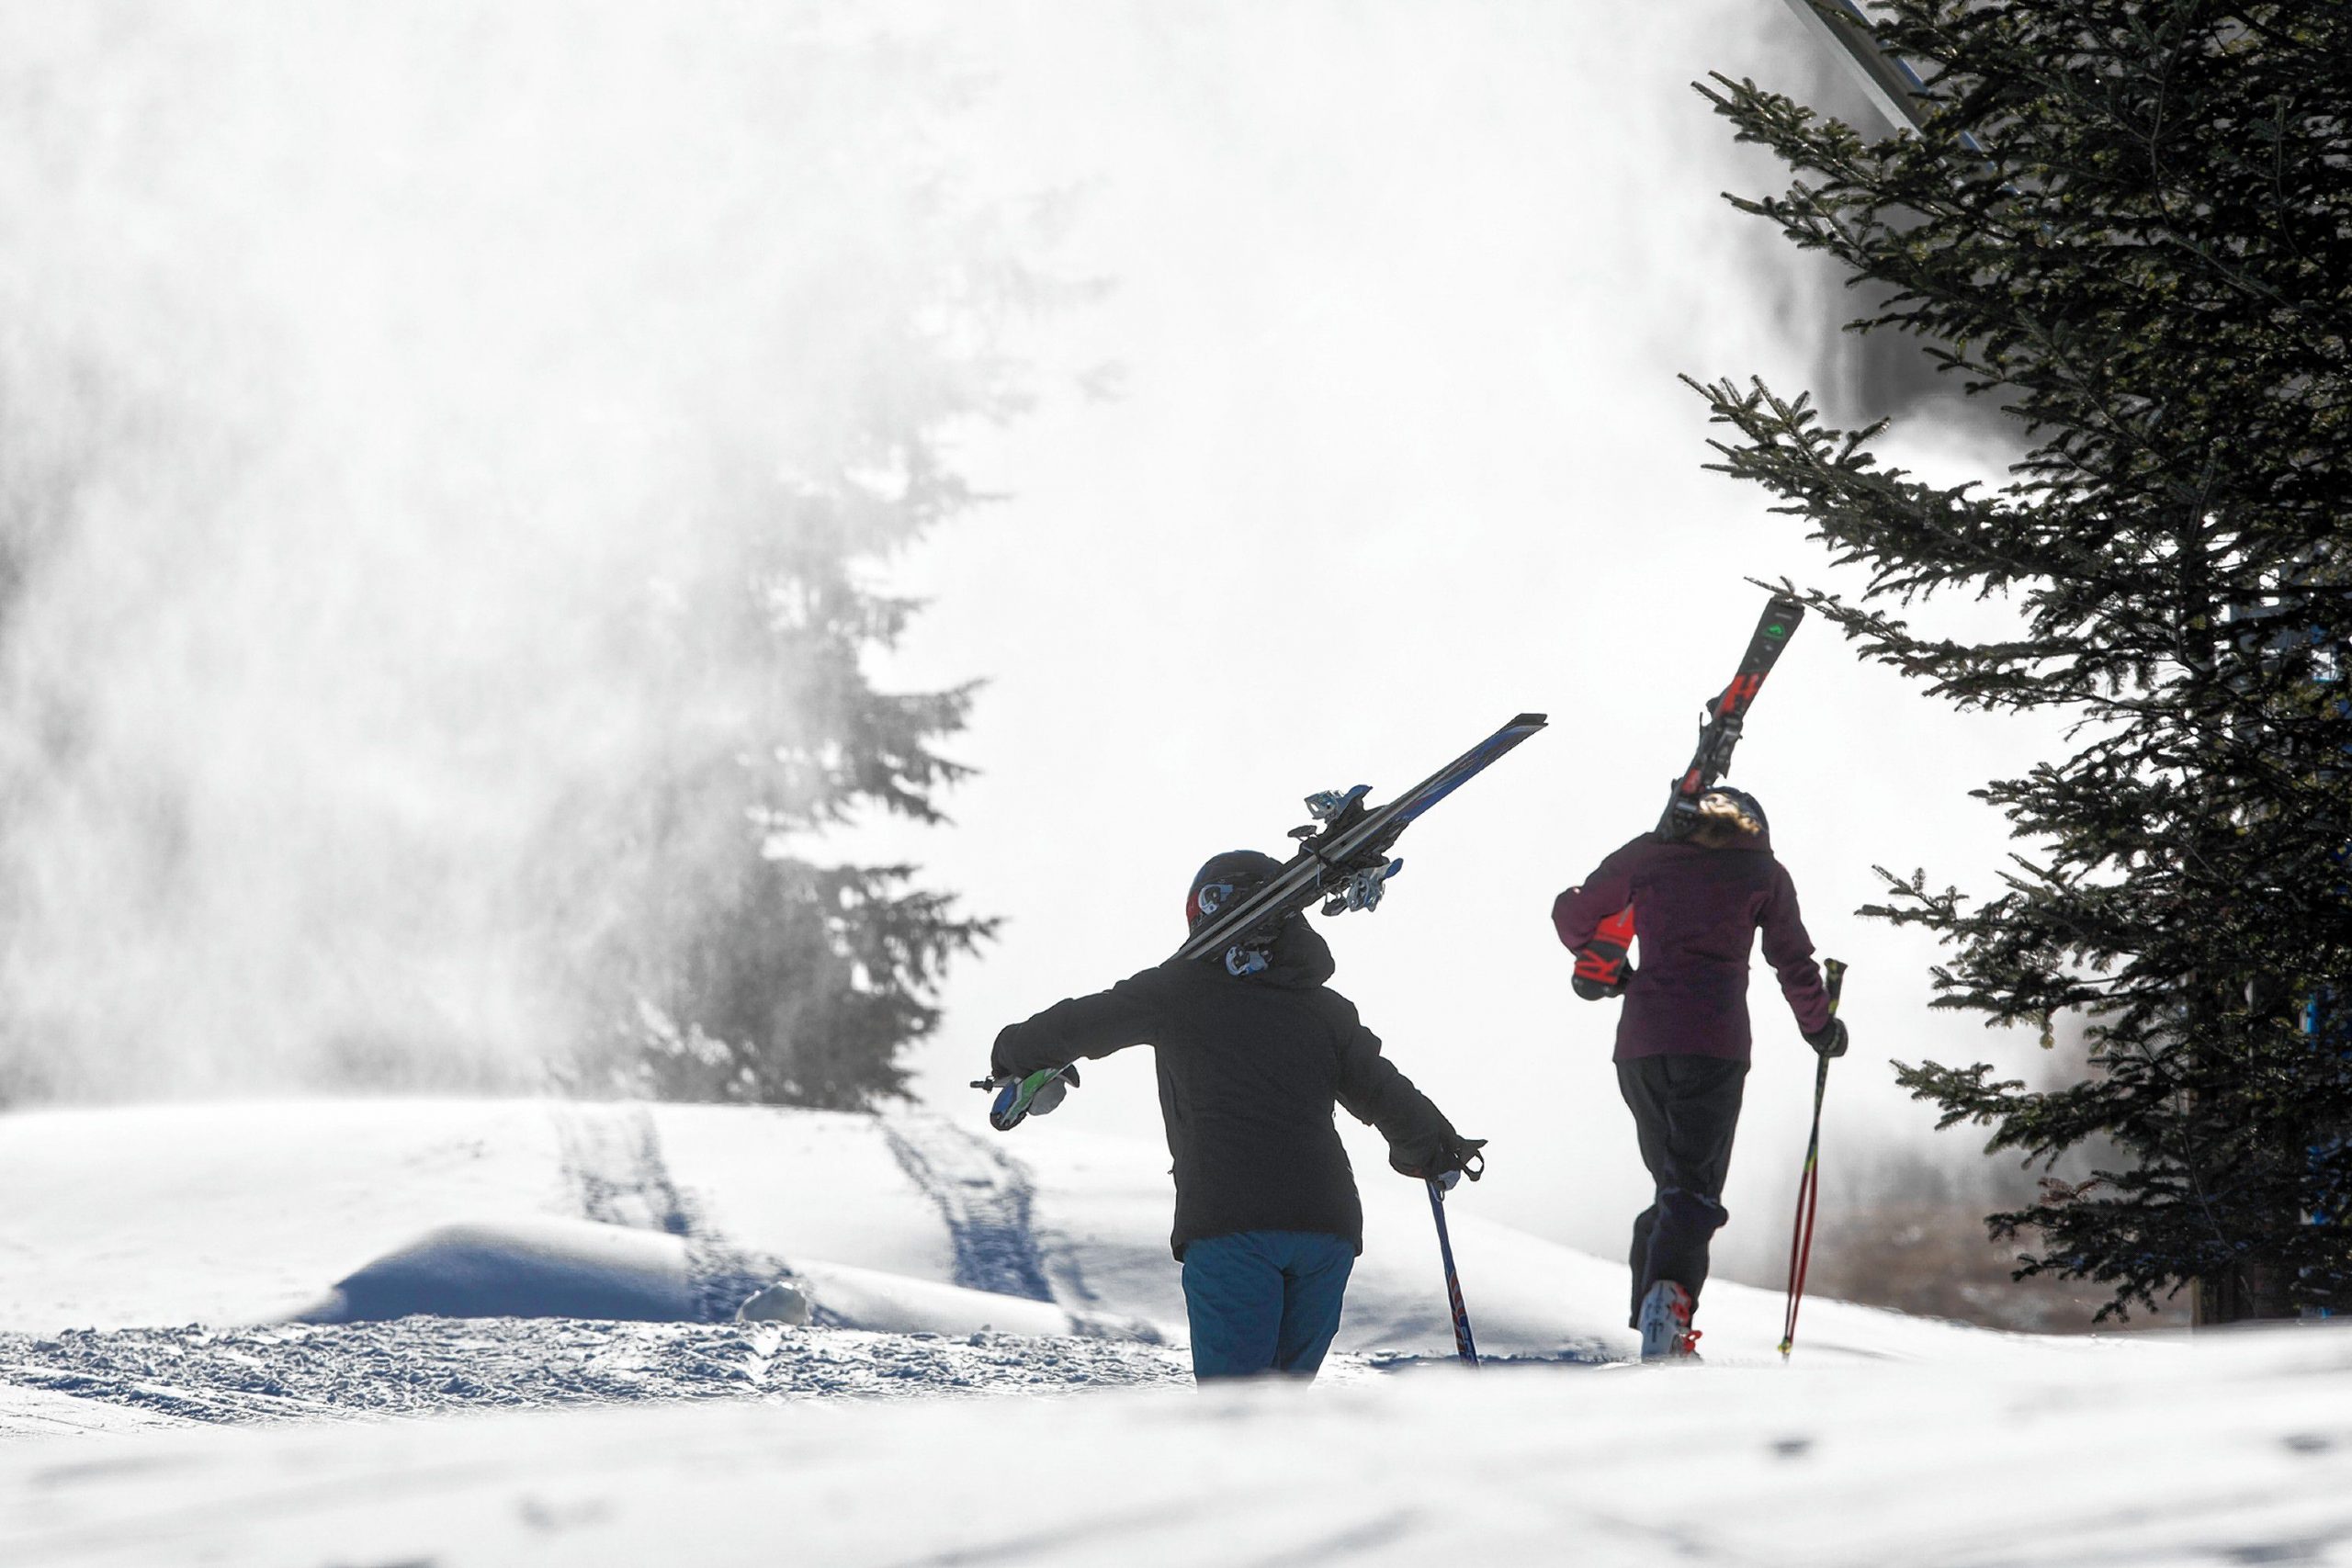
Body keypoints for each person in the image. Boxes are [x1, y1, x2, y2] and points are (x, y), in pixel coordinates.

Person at [989, 849, 1485, 1383]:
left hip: (1232, 1226)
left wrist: (1010, 1054)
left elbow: (1081, 1024)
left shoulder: (1177, 991)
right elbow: (1385, 1093)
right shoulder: (1323, 1010)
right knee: (1282, 1416)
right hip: (1325, 1230)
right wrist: (1433, 1149)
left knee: (1239, 1422)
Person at [1551, 787, 1845, 1361]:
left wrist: (1610, 970)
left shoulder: (1649, 858)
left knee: (1672, 1189)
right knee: (1692, 1192)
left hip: (1640, 1046)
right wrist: (1820, 1028)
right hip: (1714, 1044)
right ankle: (1668, 1316)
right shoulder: (1762, 872)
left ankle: (1656, 1321)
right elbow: (1793, 961)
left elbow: (1572, 915)